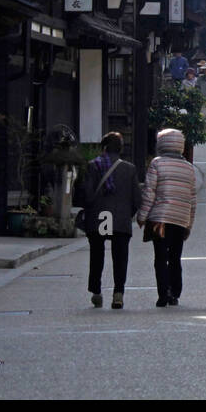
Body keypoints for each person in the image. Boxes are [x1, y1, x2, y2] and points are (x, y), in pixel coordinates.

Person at [77, 132, 141, 309]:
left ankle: (96, 291)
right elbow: (137, 199)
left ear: (103, 147)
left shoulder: (93, 166)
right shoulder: (129, 169)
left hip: (98, 218)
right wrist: (127, 214)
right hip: (120, 219)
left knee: (96, 254)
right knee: (120, 257)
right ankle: (118, 293)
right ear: (120, 149)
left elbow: (88, 195)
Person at [136, 128, 199, 307]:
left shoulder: (157, 164)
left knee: (160, 257)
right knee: (176, 256)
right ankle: (175, 292)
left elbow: (149, 192)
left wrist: (142, 216)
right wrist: (189, 223)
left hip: (160, 219)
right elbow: (192, 198)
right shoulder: (188, 167)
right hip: (180, 218)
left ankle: (163, 293)